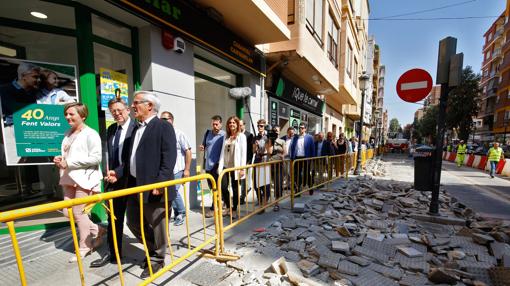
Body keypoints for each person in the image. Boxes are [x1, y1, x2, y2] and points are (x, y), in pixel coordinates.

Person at [125, 91, 177, 278]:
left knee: (158, 226)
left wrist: (161, 183)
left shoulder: (162, 126)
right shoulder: (136, 128)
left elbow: (169, 158)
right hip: (135, 187)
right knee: (132, 222)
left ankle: (157, 259)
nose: (132, 106)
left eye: (136, 102)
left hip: (155, 189)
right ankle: (153, 248)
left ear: (149, 106)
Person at [53, 103, 105, 263]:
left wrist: (69, 163)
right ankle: (97, 229)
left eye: (71, 114)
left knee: (78, 213)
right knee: (67, 212)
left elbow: (96, 158)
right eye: (66, 114)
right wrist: (60, 159)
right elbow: (69, 153)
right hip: (70, 177)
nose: (68, 117)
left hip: (86, 178)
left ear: (82, 116)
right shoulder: (67, 133)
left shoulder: (91, 134)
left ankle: (85, 246)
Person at [90, 98, 135, 268]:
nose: (117, 113)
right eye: (113, 111)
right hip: (114, 182)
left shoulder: (137, 128)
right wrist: (108, 172)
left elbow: (134, 158)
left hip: (133, 181)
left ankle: (152, 254)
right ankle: (113, 254)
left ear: (128, 109)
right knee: (114, 219)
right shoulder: (110, 129)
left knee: (139, 220)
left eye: (119, 110)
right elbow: (109, 155)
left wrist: (119, 172)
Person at [0, 63, 40, 164]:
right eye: (35, 77)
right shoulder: (4, 89)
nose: (38, 80)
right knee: (16, 161)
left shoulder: (32, 93)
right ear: (23, 76)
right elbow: (12, 109)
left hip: (30, 131)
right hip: (12, 131)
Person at [160, 111, 192, 226]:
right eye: (161, 119)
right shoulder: (160, 134)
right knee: (170, 192)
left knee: (173, 191)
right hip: (166, 171)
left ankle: (181, 213)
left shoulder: (179, 134)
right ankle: (178, 212)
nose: (163, 121)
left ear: (172, 120)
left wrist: (187, 169)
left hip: (178, 169)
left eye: (166, 119)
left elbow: (188, 151)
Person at [217, 116, 247, 219]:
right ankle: (229, 207)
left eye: (234, 122)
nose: (232, 124)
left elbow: (244, 154)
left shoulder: (241, 136)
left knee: (235, 189)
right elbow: (222, 152)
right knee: (223, 187)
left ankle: (234, 209)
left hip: (236, 167)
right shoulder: (226, 136)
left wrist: (242, 169)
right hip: (225, 166)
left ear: (237, 124)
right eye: (230, 122)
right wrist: (219, 167)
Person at [200, 115, 225, 218]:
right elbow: (204, 145)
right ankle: (220, 203)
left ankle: (213, 208)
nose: (215, 126)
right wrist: (202, 147)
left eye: (217, 124)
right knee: (211, 187)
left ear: (221, 124)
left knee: (217, 187)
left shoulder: (224, 135)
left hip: (217, 165)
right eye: (213, 124)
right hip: (208, 165)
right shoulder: (207, 133)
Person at [289, 123, 315, 195]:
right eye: (300, 128)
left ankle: (310, 187)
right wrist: (292, 157)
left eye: (302, 128)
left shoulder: (309, 137)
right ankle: (298, 190)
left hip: (306, 158)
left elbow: (312, 149)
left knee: (307, 174)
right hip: (297, 158)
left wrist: (312, 159)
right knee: (297, 174)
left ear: (305, 129)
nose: (301, 129)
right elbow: (292, 147)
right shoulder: (295, 137)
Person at [268, 126, 286, 211]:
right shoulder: (270, 140)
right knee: (269, 184)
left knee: (278, 183)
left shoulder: (282, 141)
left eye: (277, 131)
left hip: (279, 164)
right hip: (270, 163)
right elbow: (269, 152)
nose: (276, 132)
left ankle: (276, 202)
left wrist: (282, 155)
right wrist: (271, 141)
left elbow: (285, 152)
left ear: (279, 132)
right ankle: (264, 202)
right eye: (274, 130)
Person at [253, 119, 269, 203]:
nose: (259, 127)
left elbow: (269, 149)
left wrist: (263, 143)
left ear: (264, 127)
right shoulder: (255, 137)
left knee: (265, 182)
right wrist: (255, 145)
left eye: (261, 126)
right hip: (257, 159)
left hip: (265, 159)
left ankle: (265, 199)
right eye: (258, 126)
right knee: (256, 182)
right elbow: (253, 151)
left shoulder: (268, 137)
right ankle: (259, 199)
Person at [239, 119, 253, 205]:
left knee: (243, 179)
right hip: (238, 161)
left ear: (244, 125)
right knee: (239, 180)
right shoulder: (236, 135)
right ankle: (245, 190)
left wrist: (249, 161)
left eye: (241, 125)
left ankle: (242, 197)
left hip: (246, 161)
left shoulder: (249, 135)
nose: (240, 127)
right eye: (239, 125)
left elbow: (251, 150)